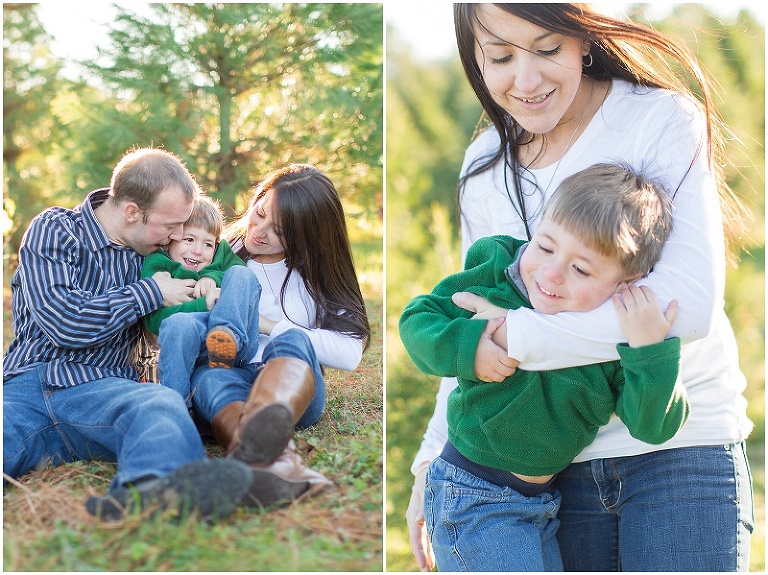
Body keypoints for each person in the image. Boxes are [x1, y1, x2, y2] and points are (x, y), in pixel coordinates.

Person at [405, 4, 754, 572]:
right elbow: (473, 341)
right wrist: (432, 461)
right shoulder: (484, 172)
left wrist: (516, 333)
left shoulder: (658, 118)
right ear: (475, 56)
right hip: (546, 472)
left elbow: (683, 309)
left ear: (582, 39)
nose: (526, 79)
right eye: (500, 56)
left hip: (682, 450)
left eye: (547, 50)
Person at [400, 162, 687, 571]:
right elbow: (418, 319)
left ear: (626, 282)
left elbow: (653, 425)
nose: (551, 273)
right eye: (546, 247)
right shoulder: (497, 276)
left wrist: (649, 352)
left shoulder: (607, 339)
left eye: (581, 269)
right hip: (473, 494)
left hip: (542, 504)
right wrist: (470, 348)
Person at [3, 147, 254, 522]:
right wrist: (151, 292)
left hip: (105, 393)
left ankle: (150, 495)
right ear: (132, 212)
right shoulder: (57, 230)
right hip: (29, 388)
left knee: (160, 406)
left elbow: (213, 266)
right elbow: (64, 322)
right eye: (171, 225)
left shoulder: (152, 253)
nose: (179, 235)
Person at [189, 163, 372, 506]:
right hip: (234, 382)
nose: (259, 232)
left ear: (308, 236)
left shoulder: (315, 278)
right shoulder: (216, 255)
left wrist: (267, 325)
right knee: (210, 378)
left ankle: (263, 434)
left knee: (295, 340)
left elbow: (349, 353)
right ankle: (278, 463)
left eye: (281, 231)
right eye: (259, 213)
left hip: (295, 392)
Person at [140, 194, 262, 405]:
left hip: (238, 346)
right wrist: (201, 304)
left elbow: (241, 276)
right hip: (192, 352)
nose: (198, 251)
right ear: (170, 239)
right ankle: (179, 405)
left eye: (208, 244)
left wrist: (211, 276)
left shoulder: (220, 255)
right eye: (189, 240)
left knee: (243, 275)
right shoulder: (159, 265)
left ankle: (228, 336)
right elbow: (153, 321)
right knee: (178, 324)